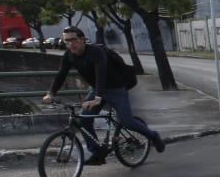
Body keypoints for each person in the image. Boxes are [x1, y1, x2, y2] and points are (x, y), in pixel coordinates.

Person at [43, 27, 164, 165]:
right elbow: (61, 75)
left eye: (74, 40)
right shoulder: (69, 55)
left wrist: (98, 97)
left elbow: (101, 73)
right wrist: (50, 93)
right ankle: (97, 153)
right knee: (83, 121)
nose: (71, 44)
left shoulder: (96, 52)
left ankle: (153, 136)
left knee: (126, 121)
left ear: (82, 39)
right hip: (96, 90)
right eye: (67, 41)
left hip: (116, 89)